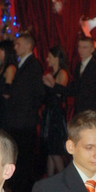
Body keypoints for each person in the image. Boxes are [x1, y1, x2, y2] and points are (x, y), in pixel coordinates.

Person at [6, 32, 45, 192]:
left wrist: (28, 109)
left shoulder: (33, 65)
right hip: (19, 119)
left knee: (24, 156)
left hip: (25, 120)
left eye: (18, 44)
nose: (15, 47)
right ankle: (18, 189)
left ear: (28, 46)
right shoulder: (23, 64)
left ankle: (22, 190)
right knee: (19, 154)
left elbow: (39, 93)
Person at [46, 36, 96, 116]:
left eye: (85, 47)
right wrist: (54, 86)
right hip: (79, 111)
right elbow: (73, 89)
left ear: (92, 49)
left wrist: (93, 99)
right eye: (79, 47)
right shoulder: (78, 66)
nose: (81, 50)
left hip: (91, 112)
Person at [41, 45, 68, 176]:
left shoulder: (62, 73)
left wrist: (50, 83)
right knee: (50, 151)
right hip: (49, 114)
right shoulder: (52, 74)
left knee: (55, 150)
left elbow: (59, 93)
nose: (47, 59)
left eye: (50, 57)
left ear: (57, 58)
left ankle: (65, 181)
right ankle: (50, 181)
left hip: (56, 115)